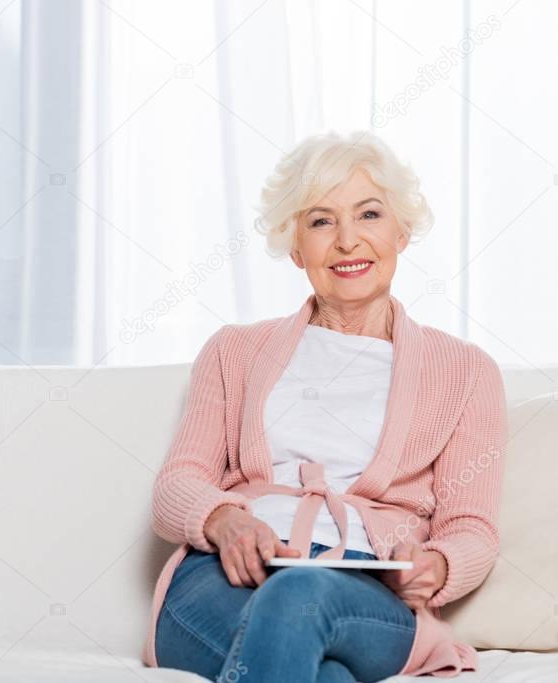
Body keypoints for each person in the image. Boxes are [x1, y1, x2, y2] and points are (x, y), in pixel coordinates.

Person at [141, 130, 508, 682]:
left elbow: (471, 527)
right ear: (295, 247)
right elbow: (178, 483)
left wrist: (438, 566)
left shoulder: (465, 370)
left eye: (369, 214)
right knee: (324, 673)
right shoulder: (234, 350)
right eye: (320, 221)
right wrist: (224, 519)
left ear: (401, 231)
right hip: (226, 578)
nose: (347, 241)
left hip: (363, 590)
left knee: (300, 597)